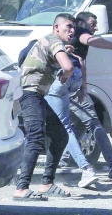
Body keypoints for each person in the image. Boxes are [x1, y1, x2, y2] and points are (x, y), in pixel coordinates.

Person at [57, 11, 112, 181]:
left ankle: (63, 163)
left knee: (79, 125)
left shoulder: (69, 37)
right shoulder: (79, 33)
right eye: (92, 23)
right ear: (81, 23)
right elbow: (91, 41)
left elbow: (80, 62)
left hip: (68, 83)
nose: (96, 27)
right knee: (95, 124)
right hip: (71, 83)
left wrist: (84, 88)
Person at [12, 13, 77, 200]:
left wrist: (66, 50)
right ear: (56, 27)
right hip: (29, 93)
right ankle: (21, 188)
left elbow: (56, 57)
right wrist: (66, 74)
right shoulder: (54, 40)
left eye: (73, 28)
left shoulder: (54, 42)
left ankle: (46, 183)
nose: (72, 31)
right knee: (35, 138)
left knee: (60, 135)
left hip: (35, 94)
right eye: (68, 27)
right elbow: (68, 66)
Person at [42, 42, 99, 189]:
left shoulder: (45, 50)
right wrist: (83, 89)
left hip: (60, 80)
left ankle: (86, 169)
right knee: (67, 125)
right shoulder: (70, 53)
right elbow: (80, 61)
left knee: (62, 127)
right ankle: (65, 159)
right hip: (75, 78)